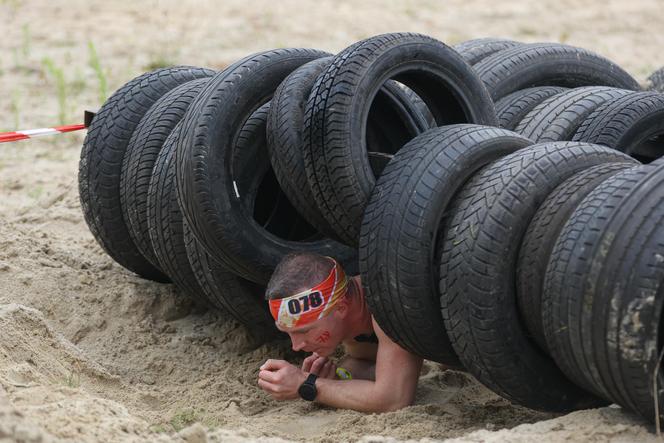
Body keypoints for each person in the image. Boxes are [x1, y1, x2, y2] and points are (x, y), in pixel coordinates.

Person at [257, 252, 423, 412]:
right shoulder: (354, 317)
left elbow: (393, 399)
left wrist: (307, 384)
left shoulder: (387, 302)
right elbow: (369, 363)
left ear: (341, 308)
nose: (296, 346)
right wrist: (336, 380)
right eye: (288, 332)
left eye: (304, 331)